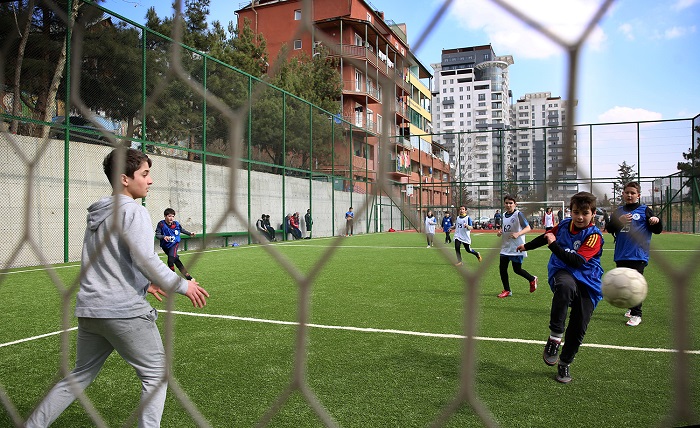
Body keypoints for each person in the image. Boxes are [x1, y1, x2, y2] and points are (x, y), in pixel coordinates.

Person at [25, 148, 210, 427]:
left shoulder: (100, 213)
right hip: (122, 311)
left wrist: (144, 284)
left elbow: (108, 258)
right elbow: (145, 259)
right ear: (125, 179)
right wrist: (183, 286)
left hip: (90, 310)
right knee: (155, 376)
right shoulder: (134, 212)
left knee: (79, 375)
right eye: (145, 174)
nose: (150, 181)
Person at [516, 191, 603, 384]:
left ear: (593, 213)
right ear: (570, 212)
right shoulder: (564, 225)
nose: (580, 217)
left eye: (585, 213)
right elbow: (547, 236)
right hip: (562, 271)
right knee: (564, 286)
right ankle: (555, 336)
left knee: (578, 326)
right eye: (575, 212)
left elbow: (577, 261)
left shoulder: (594, 236)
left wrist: (554, 246)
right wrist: (526, 247)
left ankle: (565, 363)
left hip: (588, 280)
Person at [605, 181, 662, 327]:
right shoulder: (619, 211)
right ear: (623, 194)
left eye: (633, 193)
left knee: (635, 284)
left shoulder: (645, 210)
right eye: (627, 193)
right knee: (624, 283)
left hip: (638, 254)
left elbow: (657, 229)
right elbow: (609, 228)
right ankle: (631, 308)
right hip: (621, 254)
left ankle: (637, 314)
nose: (629, 195)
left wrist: (657, 221)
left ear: (638, 195)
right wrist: (619, 221)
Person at [496, 195, 538, 298]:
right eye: (506, 203)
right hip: (505, 246)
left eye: (511, 203)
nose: (508, 205)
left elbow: (528, 228)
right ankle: (507, 290)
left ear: (515, 204)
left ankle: (532, 279)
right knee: (502, 268)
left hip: (516, 246)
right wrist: (501, 231)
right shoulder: (504, 215)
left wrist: (518, 234)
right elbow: (506, 227)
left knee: (517, 269)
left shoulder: (518, 214)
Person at [155, 207, 195, 280]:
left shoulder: (176, 224)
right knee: (176, 260)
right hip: (165, 246)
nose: (171, 218)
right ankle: (189, 277)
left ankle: (172, 278)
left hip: (174, 244)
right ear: (165, 216)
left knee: (170, 260)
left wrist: (189, 233)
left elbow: (181, 230)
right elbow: (157, 235)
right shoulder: (161, 224)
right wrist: (163, 237)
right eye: (169, 216)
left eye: (173, 216)